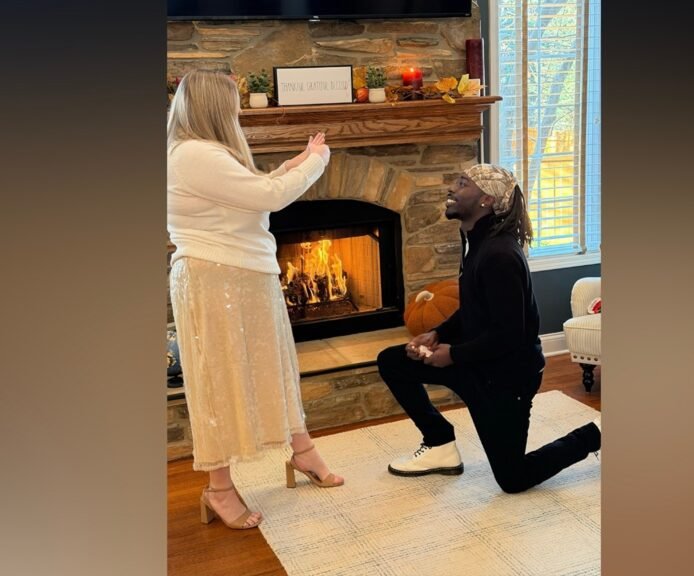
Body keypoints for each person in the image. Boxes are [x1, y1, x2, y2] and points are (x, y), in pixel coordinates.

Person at [167, 70, 343, 530]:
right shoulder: (193, 154)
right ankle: (219, 488)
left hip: (242, 274)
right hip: (215, 279)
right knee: (218, 383)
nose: (238, 110)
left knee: (274, 366)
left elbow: (252, 196)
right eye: (232, 101)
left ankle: (301, 451)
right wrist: (317, 162)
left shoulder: (206, 155)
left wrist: (297, 160)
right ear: (212, 107)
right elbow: (270, 196)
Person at [377, 164, 600, 493]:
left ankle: (595, 434)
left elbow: (509, 335)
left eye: (462, 183)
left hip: (507, 378)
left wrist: (452, 355)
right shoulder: (476, 242)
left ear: (486, 200)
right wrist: (438, 333)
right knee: (392, 362)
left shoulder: (499, 255)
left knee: (513, 478)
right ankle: (439, 443)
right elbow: (474, 309)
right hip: (476, 363)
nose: (451, 188)